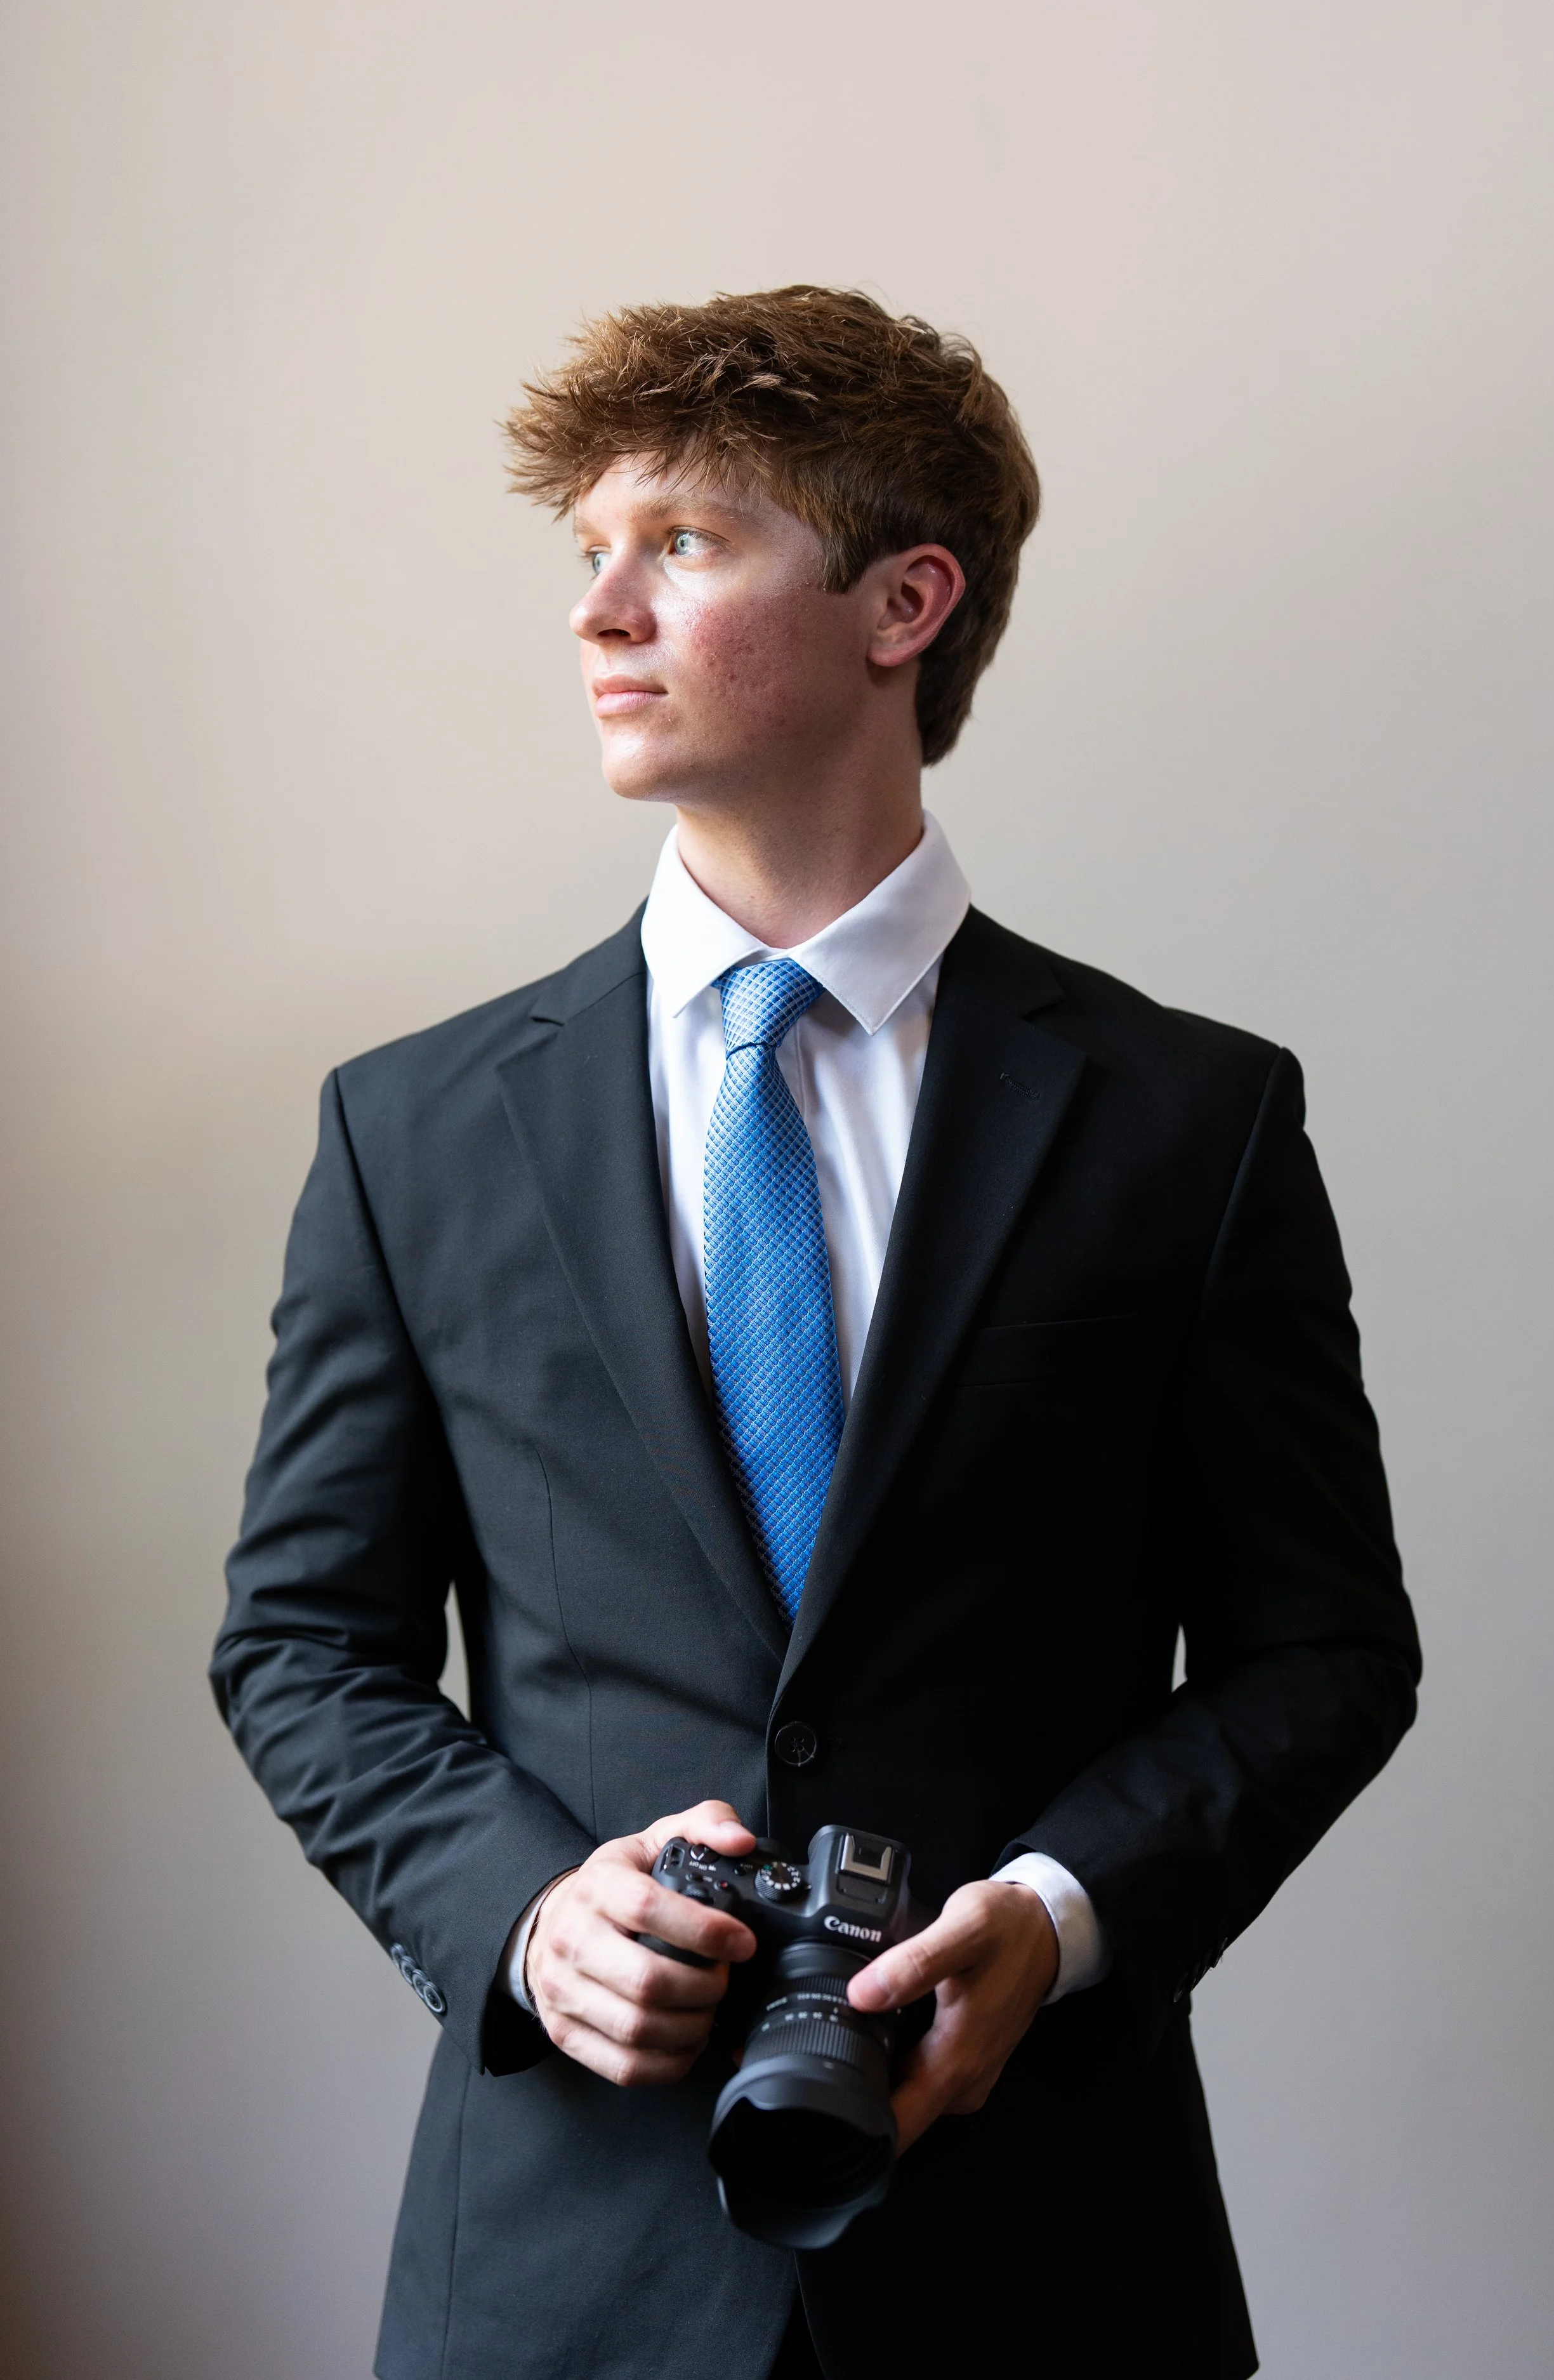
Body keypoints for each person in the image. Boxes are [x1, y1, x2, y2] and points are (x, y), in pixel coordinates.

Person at [211, 286, 1419, 2380]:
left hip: (1046, 2261)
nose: (599, 610)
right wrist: (521, 1909)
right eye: (584, 551)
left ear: (904, 601)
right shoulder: (409, 1127)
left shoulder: (1189, 1119)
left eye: (677, 542)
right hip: (555, 2275)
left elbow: (1323, 1646)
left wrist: (1056, 1911)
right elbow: (299, 1642)